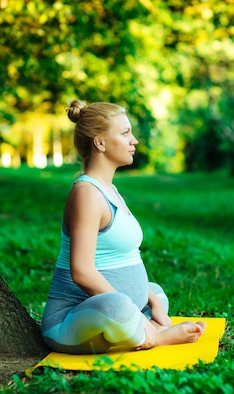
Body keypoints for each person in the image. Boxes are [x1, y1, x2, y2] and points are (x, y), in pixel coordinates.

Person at [41, 100, 206, 354]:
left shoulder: (110, 190)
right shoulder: (87, 193)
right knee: (117, 308)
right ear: (100, 142)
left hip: (122, 309)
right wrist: (137, 315)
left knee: (156, 293)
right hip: (69, 321)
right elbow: (82, 272)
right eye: (125, 133)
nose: (134, 140)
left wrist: (149, 300)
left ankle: (144, 326)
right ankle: (153, 335)